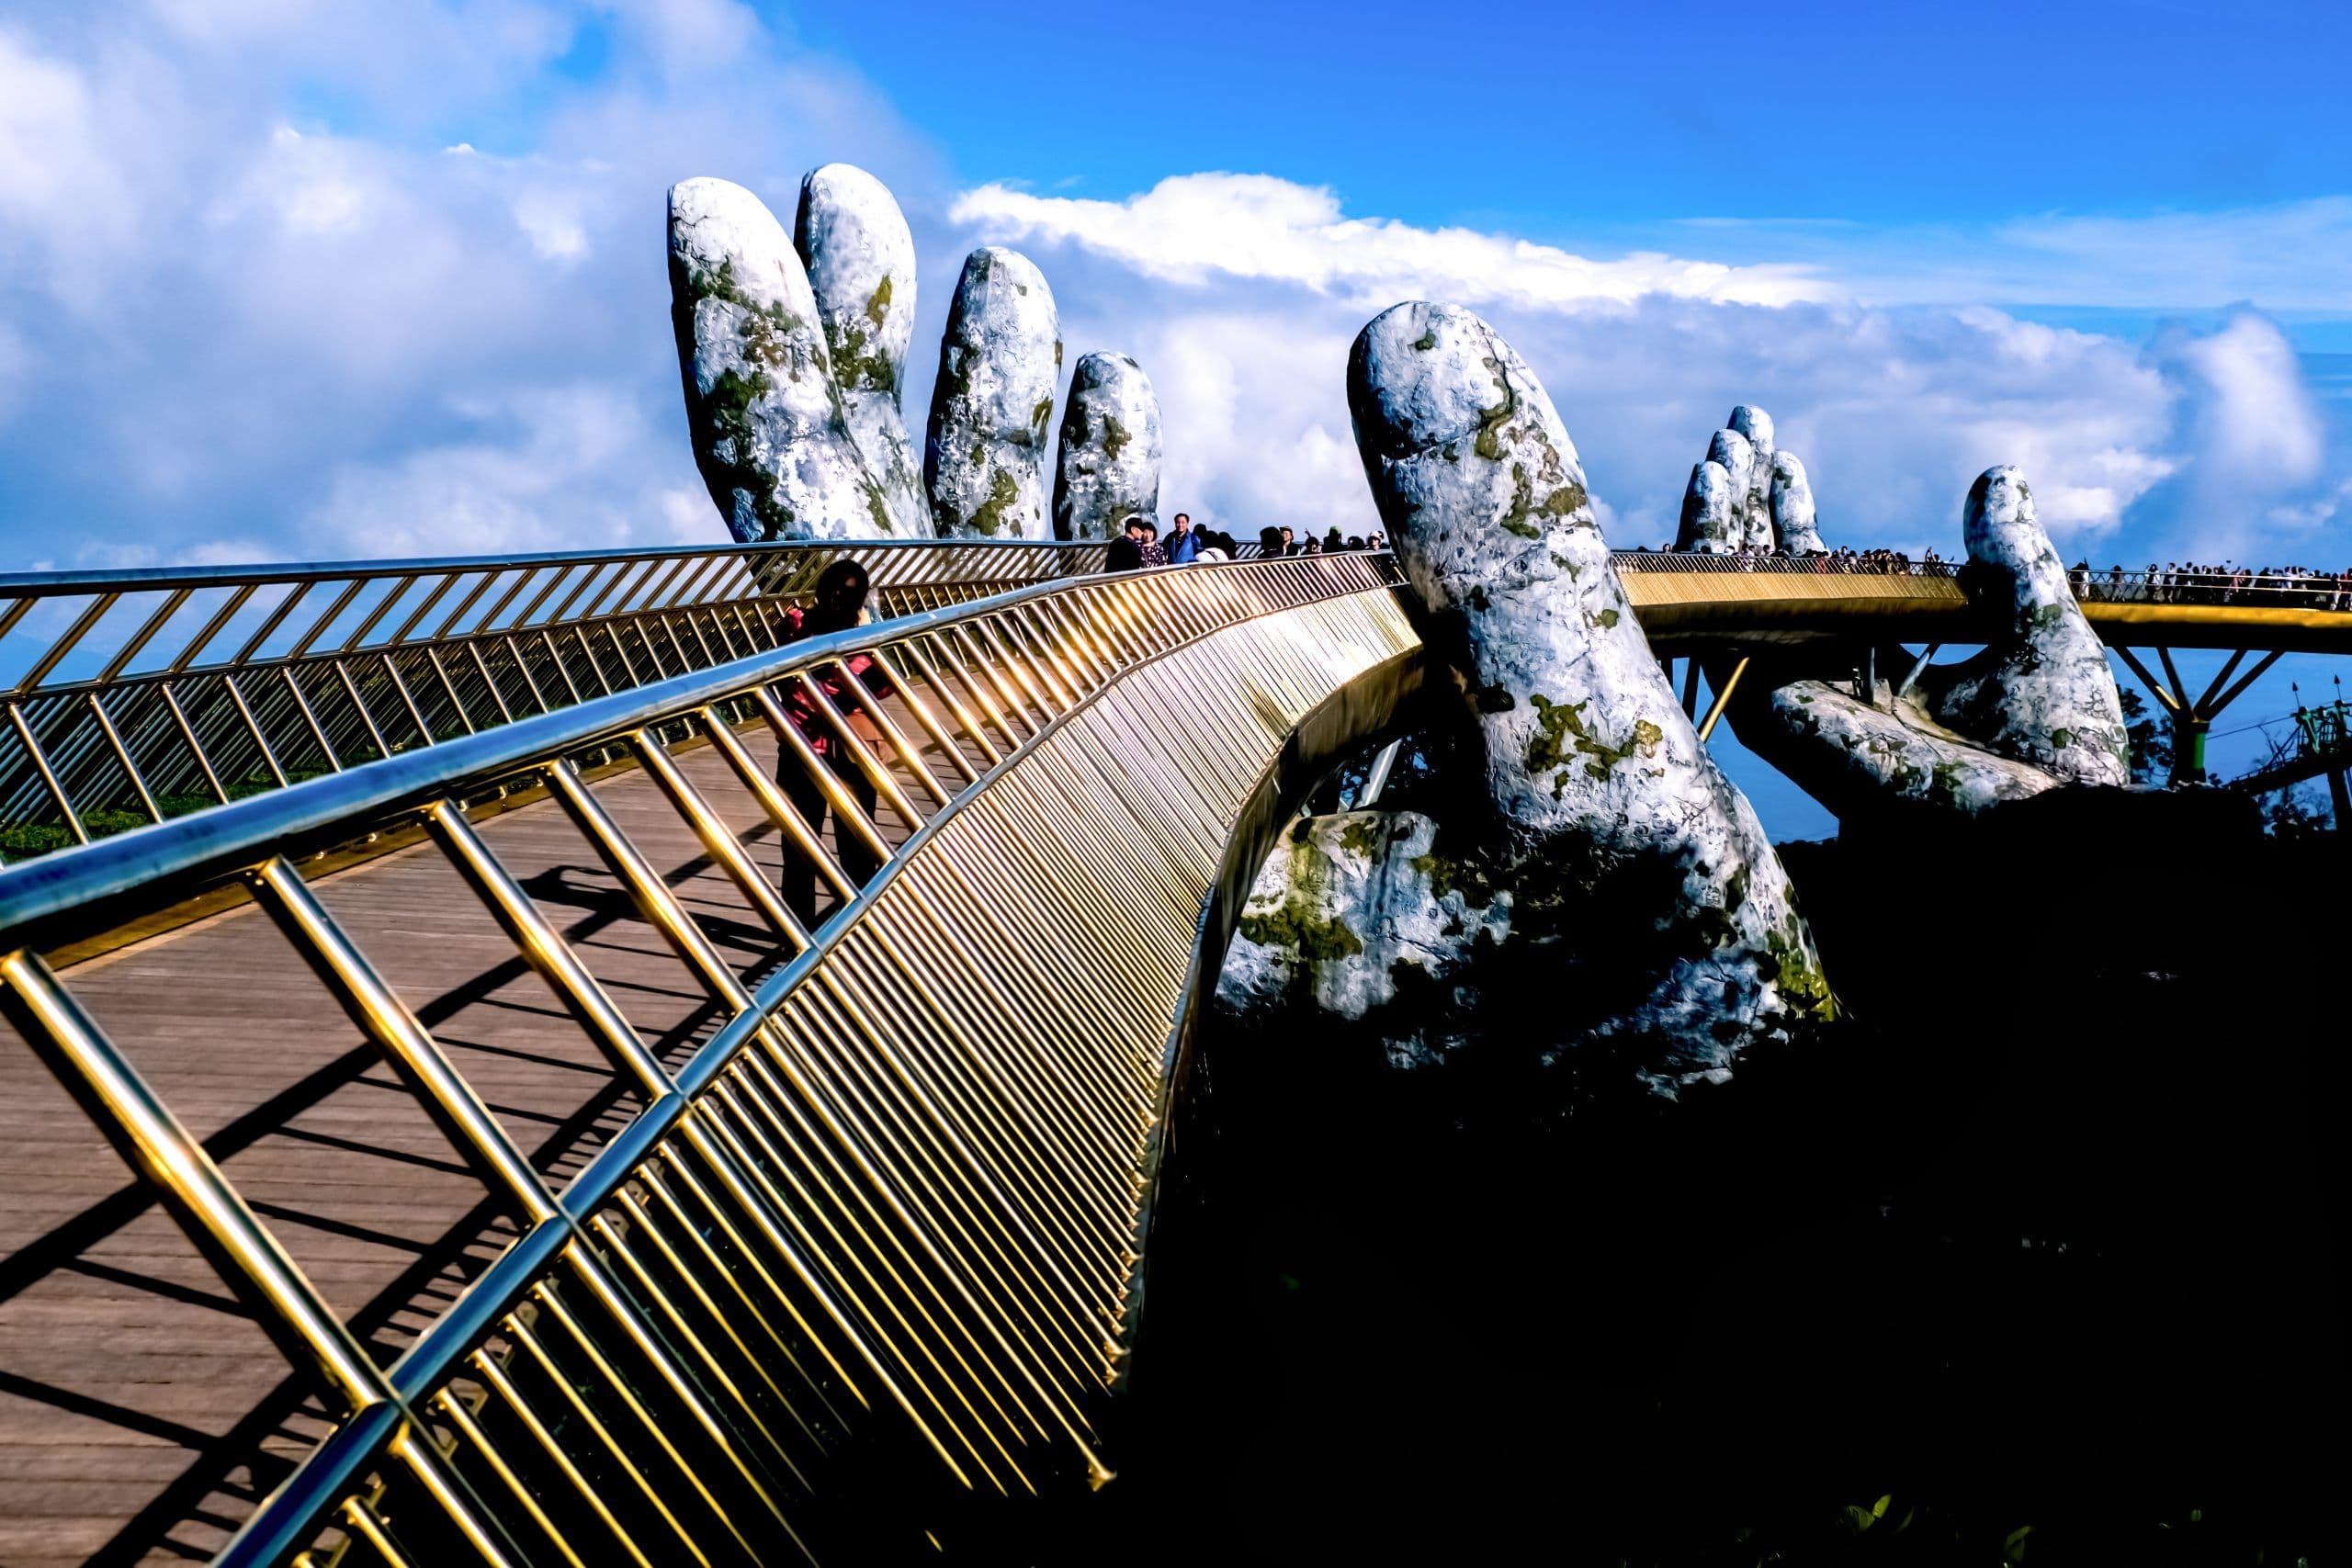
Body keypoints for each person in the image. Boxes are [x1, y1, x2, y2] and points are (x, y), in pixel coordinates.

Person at [778, 558, 885, 927]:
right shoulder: (858, 640)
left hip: (803, 748)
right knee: (853, 847)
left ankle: (801, 931)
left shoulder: (796, 625)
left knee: (801, 847)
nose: (838, 598)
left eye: (843, 593)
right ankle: (856, 926)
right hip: (838, 752)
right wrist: (868, 635)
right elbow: (879, 687)